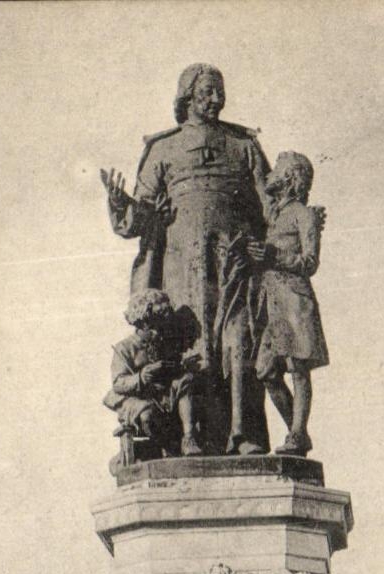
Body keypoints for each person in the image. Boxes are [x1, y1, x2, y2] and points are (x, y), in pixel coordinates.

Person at [103, 64, 270, 455]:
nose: (216, 99)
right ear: (187, 96)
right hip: (180, 267)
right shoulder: (163, 149)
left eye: (220, 91)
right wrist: (119, 203)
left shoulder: (244, 145)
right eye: (208, 91)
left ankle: (243, 435)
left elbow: (269, 204)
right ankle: (185, 437)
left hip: (233, 265)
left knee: (238, 342)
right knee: (187, 348)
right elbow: (141, 215)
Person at [249, 151, 329, 455]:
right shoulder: (274, 213)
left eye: (278, 169)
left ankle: (296, 434)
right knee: (266, 371)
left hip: (295, 299)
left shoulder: (302, 214)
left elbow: (310, 262)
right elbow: (259, 182)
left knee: (297, 368)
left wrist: (273, 256)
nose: (272, 173)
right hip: (271, 302)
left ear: (290, 177)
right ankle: (299, 432)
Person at [104, 289, 201, 459]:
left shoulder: (162, 343)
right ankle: (167, 447)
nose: (159, 329)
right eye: (155, 323)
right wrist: (141, 377)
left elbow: (173, 370)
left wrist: (182, 366)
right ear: (144, 321)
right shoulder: (125, 348)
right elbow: (118, 383)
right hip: (136, 399)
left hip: (163, 394)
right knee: (147, 414)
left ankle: (189, 439)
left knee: (186, 381)